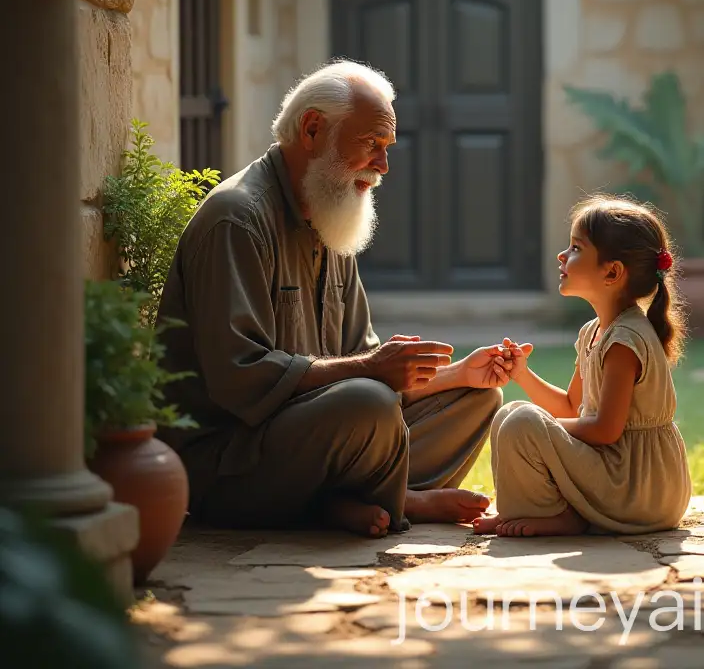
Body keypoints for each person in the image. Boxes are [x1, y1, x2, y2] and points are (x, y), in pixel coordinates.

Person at [156, 59, 511, 537]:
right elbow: (240, 379)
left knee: (478, 397)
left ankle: (341, 501)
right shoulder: (237, 219)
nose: (383, 166)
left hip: (312, 434)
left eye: (387, 148)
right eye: (372, 145)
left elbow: (362, 364)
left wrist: (457, 374)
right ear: (312, 129)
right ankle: (396, 498)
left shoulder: (329, 210)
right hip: (229, 463)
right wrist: (371, 369)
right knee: (368, 403)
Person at [472, 194, 692, 537]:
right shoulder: (594, 332)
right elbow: (573, 407)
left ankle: (564, 517)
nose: (562, 255)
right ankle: (531, 511)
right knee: (511, 413)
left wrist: (543, 428)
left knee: (523, 421)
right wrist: (522, 376)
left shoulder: (624, 341)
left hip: (639, 490)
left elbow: (605, 430)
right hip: (618, 475)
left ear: (612, 272)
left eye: (576, 248)